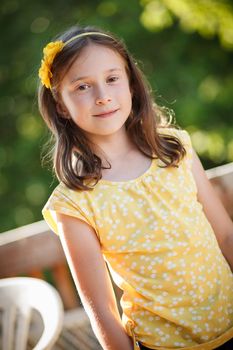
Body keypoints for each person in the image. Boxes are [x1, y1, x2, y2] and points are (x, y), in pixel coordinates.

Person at [38, 24, 233, 350]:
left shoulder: (176, 150)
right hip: (163, 345)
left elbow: (226, 235)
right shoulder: (74, 203)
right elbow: (101, 308)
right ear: (61, 105)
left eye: (112, 79)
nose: (103, 96)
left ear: (130, 84)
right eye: (83, 86)